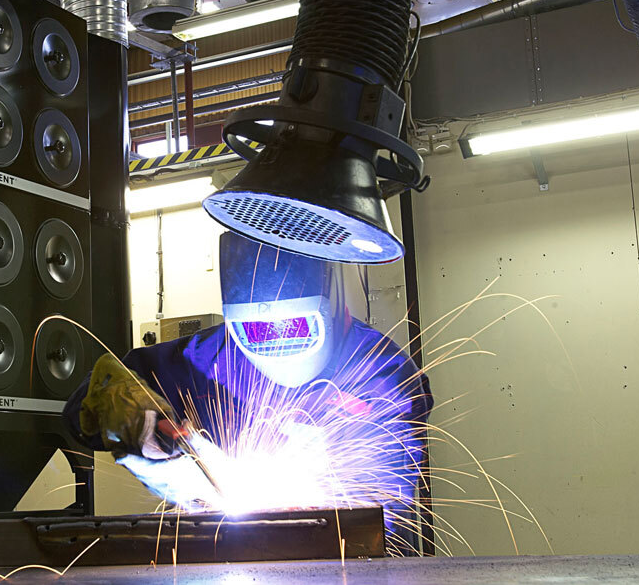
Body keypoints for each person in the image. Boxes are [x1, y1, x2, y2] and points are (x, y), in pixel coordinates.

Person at [63, 231, 433, 554]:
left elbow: (379, 504)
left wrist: (306, 515)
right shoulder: (210, 358)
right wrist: (122, 411)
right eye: (256, 331)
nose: (275, 339)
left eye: (292, 327)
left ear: (331, 307)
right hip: (231, 559)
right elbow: (84, 410)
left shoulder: (381, 373)